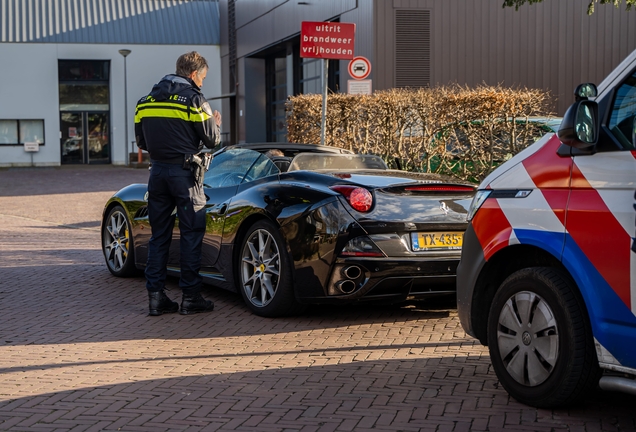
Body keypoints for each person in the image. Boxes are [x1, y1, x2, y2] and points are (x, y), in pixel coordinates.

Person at [134, 51, 222, 316]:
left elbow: (143, 144)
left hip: (157, 175)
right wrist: (215, 125)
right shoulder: (194, 100)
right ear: (194, 74)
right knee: (191, 234)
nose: (203, 83)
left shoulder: (145, 102)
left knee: (158, 236)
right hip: (185, 178)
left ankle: (156, 298)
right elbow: (213, 141)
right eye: (203, 77)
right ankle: (191, 297)